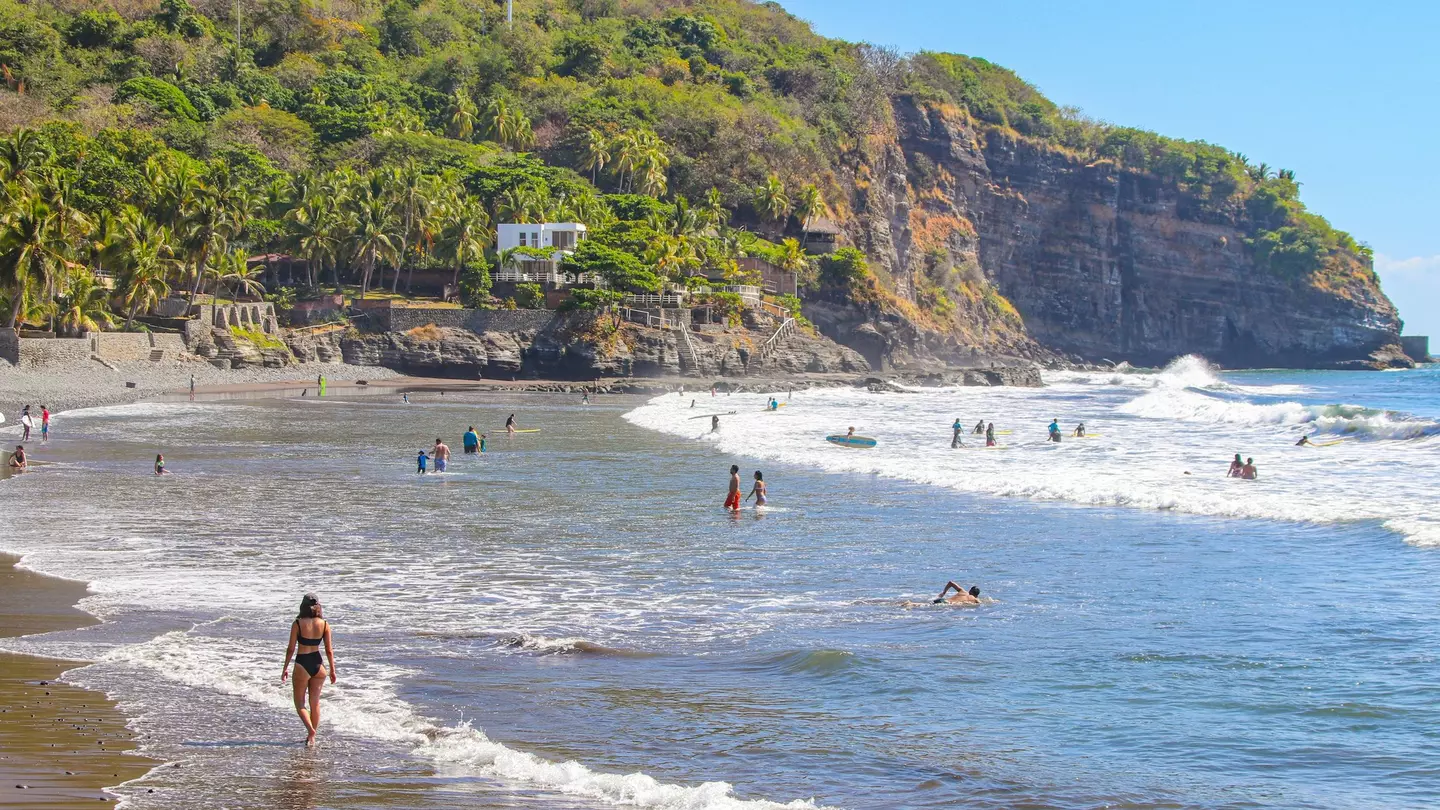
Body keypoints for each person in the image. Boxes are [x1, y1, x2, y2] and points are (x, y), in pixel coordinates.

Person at [280, 594, 337, 747]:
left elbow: (291, 648)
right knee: (315, 703)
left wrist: (285, 668)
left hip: (302, 663)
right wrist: (332, 670)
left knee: (299, 703)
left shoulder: (297, 623)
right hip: (319, 665)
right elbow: (329, 650)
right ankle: (312, 738)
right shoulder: (324, 624)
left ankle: (311, 731)